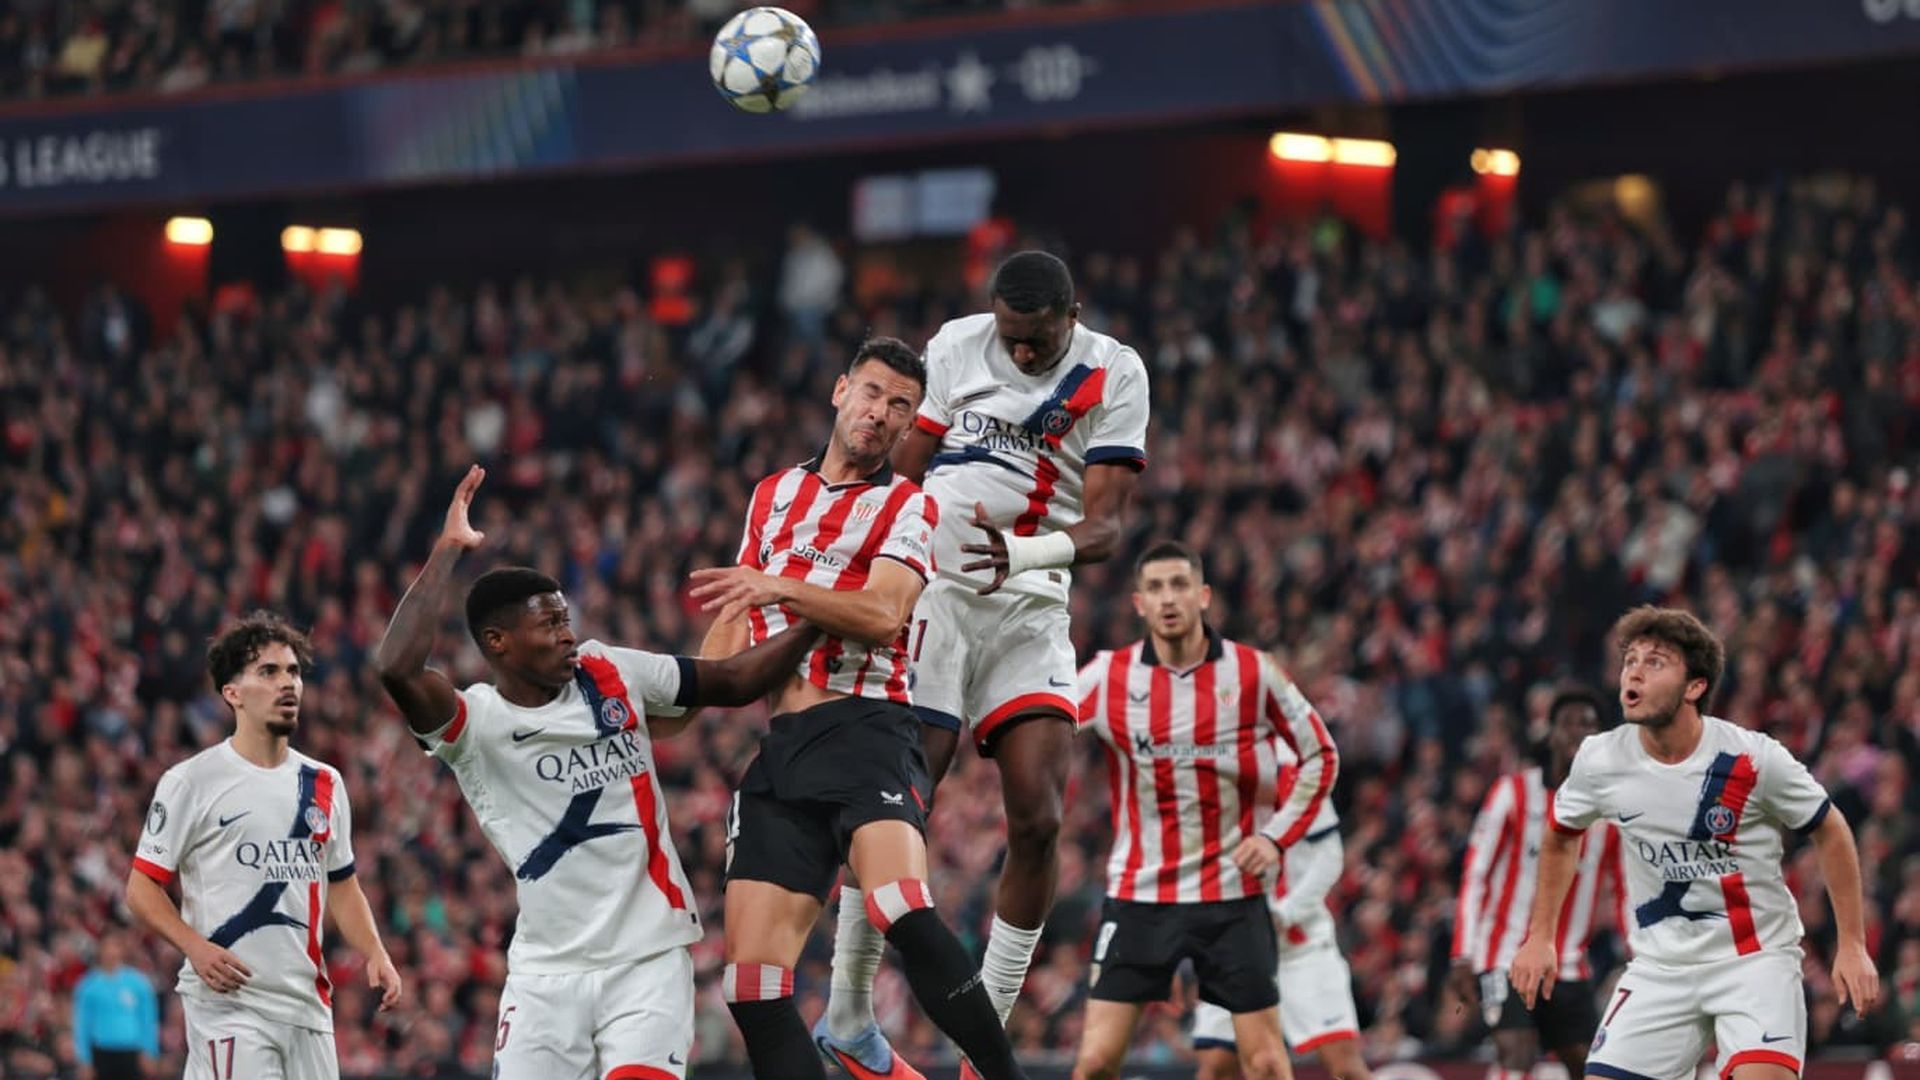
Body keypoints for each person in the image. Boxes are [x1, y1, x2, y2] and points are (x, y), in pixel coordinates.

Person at [373, 464, 825, 1079]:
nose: (568, 635)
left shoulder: (606, 670)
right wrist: (448, 549)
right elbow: (397, 668)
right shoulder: (475, 726)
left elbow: (731, 680)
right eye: (550, 624)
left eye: (566, 619)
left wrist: (817, 617)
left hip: (648, 958)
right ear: (497, 642)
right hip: (545, 979)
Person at [820, 250, 1150, 1075]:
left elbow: (1106, 529)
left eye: (1035, 341)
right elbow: (905, 466)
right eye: (1011, 337)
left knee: (1038, 818)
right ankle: (849, 1011)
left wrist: (1022, 554)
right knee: (893, 798)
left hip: (1029, 605)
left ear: (1070, 315)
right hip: (931, 592)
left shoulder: (1115, 371)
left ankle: (983, 1043)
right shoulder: (960, 344)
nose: (1021, 354)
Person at [687, 337, 1026, 1080]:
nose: (881, 413)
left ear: (911, 425)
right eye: (872, 393)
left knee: (898, 904)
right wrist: (689, 690)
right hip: (784, 743)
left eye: (900, 406)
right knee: (752, 985)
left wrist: (781, 588)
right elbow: (737, 609)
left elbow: (881, 613)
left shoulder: (909, 505)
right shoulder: (773, 493)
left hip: (867, 725)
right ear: (841, 391)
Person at [1512, 606, 1881, 1080]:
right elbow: (1563, 834)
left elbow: (1830, 829)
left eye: (1656, 662)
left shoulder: (1752, 758)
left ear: (1695, 687)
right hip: (1661, 966)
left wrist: (1852, 944)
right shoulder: (1600, 760)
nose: (1635, 671)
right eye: (1631, 660)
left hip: (1754, 961)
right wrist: (1541, 936)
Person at [1068, 541, 1337, 1080]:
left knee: (1263, 1062)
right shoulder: (1105, 676)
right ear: (1139, 603)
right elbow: (1043, 731)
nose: (1169, 598)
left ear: (1203, 596)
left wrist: (1276, 838)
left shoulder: (1254, 673)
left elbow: (1321, 754)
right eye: (1157, 588)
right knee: (1095, 1062)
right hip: (1140, 894)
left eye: (1180, 585)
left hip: (1231, 897)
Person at [128, 613, 402, 1080]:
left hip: (308, 1006)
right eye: (268, 672)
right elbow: (141, 888)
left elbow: (342, 884)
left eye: (293, 671)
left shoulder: (325, 783)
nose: (288, 684)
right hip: (230, 1005)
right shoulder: (191, 782)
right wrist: (194, 946)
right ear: (232, 693)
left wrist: (375, 952)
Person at [1446, 686, 1625, 1080]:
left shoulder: (1611, 813)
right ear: (1551, 732)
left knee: (1589, 1065)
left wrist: (1638, 952)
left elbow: (1627, 888)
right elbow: (1476, 875)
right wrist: (1463, 954)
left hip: (1570, 964)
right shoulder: (1513, 792)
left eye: (1588, 725)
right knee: (1516, 1051)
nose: (1577, 732)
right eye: (1568, 723)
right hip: (1502, 955)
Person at [1191, 801, 1371, 1080]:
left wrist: (1285, 913)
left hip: (1301, 950)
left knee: (1345, 1067)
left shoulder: (1299, 776)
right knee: (1216, 1066)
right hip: (1237, 951)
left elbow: (1329, 858)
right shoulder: (1211, 779)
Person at [70, 931, 159, 1080]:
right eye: (106, 946)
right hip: (101, 1053)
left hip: (132, 1052)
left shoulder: (139, 983)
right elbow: (82, 1024)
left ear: (122, 949)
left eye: (115, 946)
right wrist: (84, 1060)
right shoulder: (87, 985)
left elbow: (148, 1020)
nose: (111, 951)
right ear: (99, 949)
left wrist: (150, 1052)